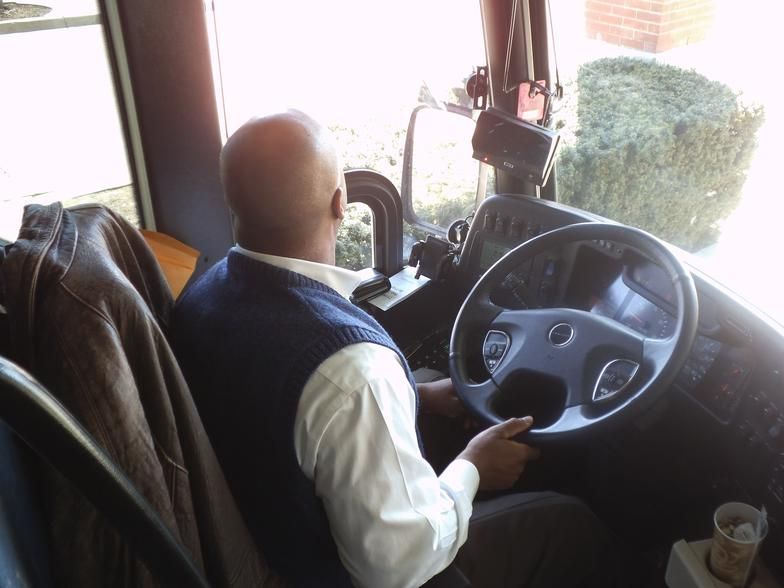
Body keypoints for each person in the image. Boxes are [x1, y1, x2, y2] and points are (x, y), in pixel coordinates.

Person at [171, 110, 618, 587]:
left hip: (268, 519)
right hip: (347, 570)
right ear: (342, 202)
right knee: (570, 523)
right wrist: (473, 468)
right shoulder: (353, 372)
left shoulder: (201, 296)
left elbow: (265, 398)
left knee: (421, 384)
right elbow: (399, 565)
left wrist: (414, 394)